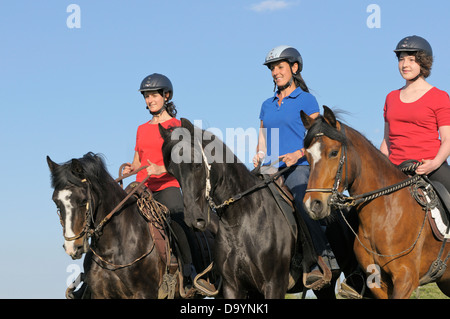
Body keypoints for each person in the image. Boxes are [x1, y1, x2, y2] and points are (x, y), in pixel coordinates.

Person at [253, 45, 339, 289]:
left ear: (294, 68)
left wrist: (298, 154)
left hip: (298, 166)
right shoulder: (266, 104)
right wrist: (259, 154)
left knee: (303, 203)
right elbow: (263, 136)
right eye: (272, 68)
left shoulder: (306, 99)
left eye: (280, 67)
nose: (275, 72)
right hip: (270, 169)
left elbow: (318, 136)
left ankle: (320, 260)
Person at [123, 73, 214, 293]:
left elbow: (186, 161)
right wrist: (130, 169)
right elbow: (138, 161)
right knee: (117, 216)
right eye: (146, 96)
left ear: (167, 96)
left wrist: (161, 169)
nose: (149, 100)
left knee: (177, 217)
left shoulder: (177, 126)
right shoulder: (141, 129)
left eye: (154, 95)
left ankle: (192, 272)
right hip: (142, 187)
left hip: (167, 185)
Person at [380, 35, 450, 192]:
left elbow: (447, 140)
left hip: (430, 168)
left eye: (411, 60)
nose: (405, 65)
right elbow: (387, 141)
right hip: (395, 170)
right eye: (401, 59)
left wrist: (434, 163)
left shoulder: (439, 96)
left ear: (423, 62)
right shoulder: (391, 97)